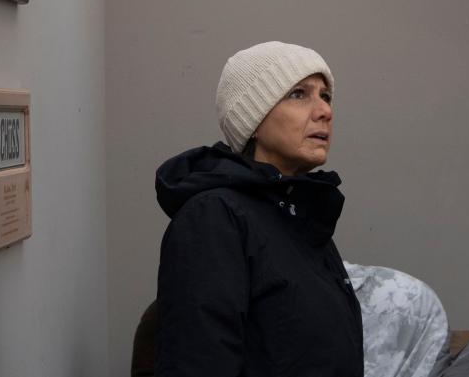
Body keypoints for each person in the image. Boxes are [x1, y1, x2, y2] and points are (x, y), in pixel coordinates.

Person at [154, 41, 364, 377]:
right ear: (253, 118)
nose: (325, 110)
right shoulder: (215, 219)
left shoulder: (299, 215)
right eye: (299, 93)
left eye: (325, 95)